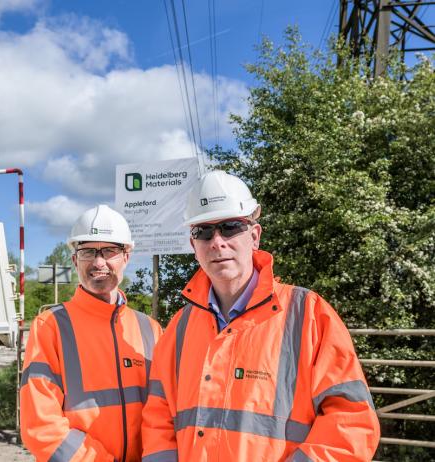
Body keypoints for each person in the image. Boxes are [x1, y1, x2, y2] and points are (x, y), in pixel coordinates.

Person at [141, 170, 380, 461]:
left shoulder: (309, 314)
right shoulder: (180, 326)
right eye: (203, 231)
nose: (217, 242)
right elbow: (158, 416)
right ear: (194, 246)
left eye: (230, 227)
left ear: (254, 236)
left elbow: (351, 422)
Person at [21, 204, 163, 461]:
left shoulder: (150, 329)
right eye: (88, 252)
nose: (99, 262)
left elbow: (164, 413)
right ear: (75, 260)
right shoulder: (50, 326)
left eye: (110, 250)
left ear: (126, 257)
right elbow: (41, 426)